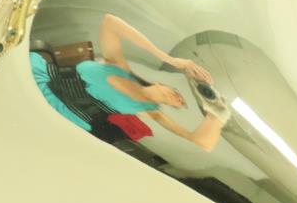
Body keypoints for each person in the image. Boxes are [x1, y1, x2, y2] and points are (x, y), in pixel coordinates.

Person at [74, 13, 230, 152]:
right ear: (158, 83)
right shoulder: (118, 67)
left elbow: (202, 142)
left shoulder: (151, 112)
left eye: (179, 103)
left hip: (71, 118)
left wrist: (216, 112)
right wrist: (169, 59)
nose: (179, 99)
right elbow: (110, 22)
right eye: (177, 93)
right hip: (59, 79)